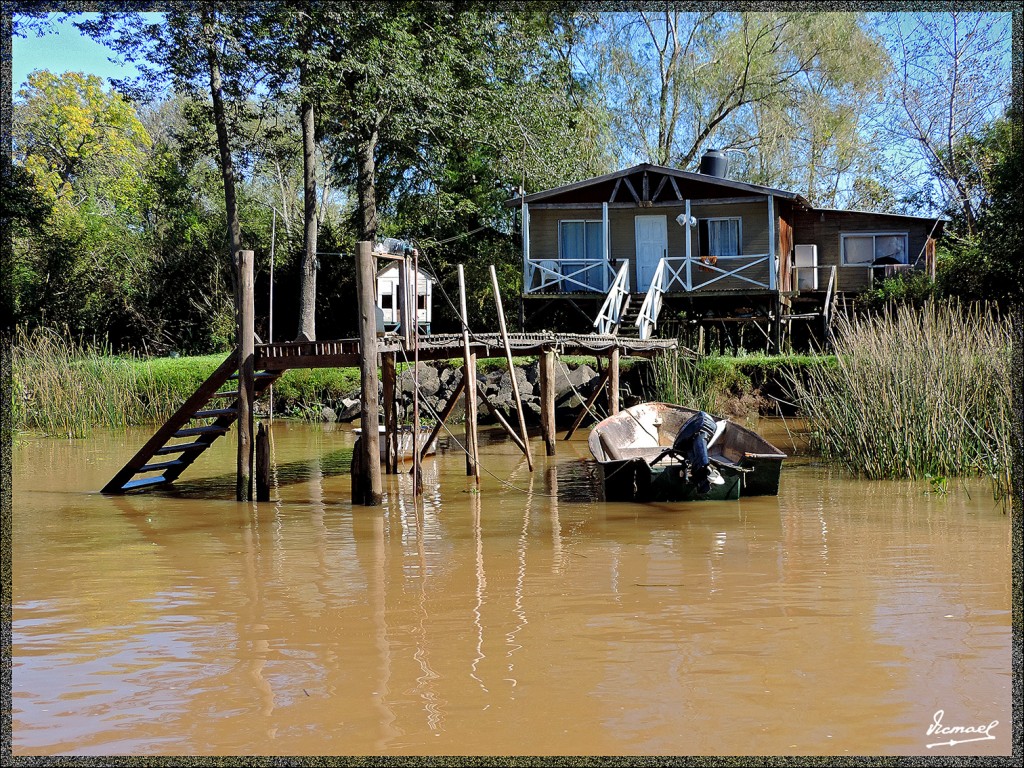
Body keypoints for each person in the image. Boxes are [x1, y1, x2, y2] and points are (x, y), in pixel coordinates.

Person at [672, 411, 724, 494]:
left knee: (699, 459)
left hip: (702, 427)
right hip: (703, 427)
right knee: (700, 459)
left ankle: (701, 472)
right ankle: (701, 472)